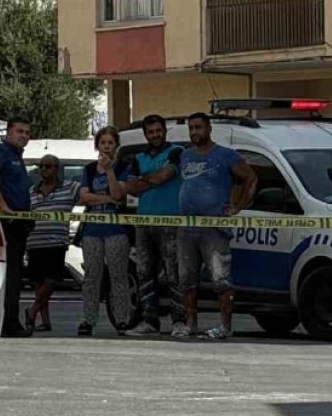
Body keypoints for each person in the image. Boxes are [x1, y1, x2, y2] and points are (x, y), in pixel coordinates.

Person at [178, 113, 257, 340]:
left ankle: (225, 325)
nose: (195, 132)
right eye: (191, 128)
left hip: (214, 228)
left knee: (220, 278)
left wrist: (237, 206)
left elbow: (250, 177)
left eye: (199, 127)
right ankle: (190, 324)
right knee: (187, 279)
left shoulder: (225, 155)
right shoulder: (185, 155)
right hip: (185, 227)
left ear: (209, 128)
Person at [124, 114, 188, 337]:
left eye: (158, 130)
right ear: (145, 134)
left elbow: (165, 175)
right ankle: (149, 320)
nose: (155, 135)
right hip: (143, 222)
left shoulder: (176, 151)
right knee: (144, 272)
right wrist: (146, 180)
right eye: (150, 132)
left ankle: (179, 321)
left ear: (164, 131)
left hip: (170, 221)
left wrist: (143, 180)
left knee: (174, 272)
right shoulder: (138, 157)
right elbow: (130, 187)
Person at [77, 126, 134, 337]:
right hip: (92, 229)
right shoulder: (89, 169)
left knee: (118, 275)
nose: (107, 146)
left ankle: (121, 319)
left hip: (116, 229)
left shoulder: (123, 167)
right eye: (103, 143)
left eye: (110, 143)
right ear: (97, 145)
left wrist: (109, 170)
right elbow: (84, 197)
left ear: (116, 146)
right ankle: (89, 319)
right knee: (92, 276)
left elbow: (119, 193)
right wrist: (107, 199)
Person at [0, 118, 35, 338]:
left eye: (27, 132)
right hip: (8, 222)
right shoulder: (2, 152)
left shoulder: (16, 156)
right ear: (9, 132)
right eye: (19, 131)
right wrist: (3, 206)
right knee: (10, 274)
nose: (24, 135)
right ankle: (8, 322)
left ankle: (9, 319)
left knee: (15, 273)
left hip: (19, 222)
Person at [24, 155, 78, 334]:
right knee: (39, 284)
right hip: (35, 242)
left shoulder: (69, 188)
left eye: (48, 166)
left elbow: (85, 193)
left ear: (57, 168)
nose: (44, 170)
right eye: (41, 166)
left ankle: (31, 311)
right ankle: (45, 321)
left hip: (56, 241)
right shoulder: (31, 191)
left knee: (52, 279)